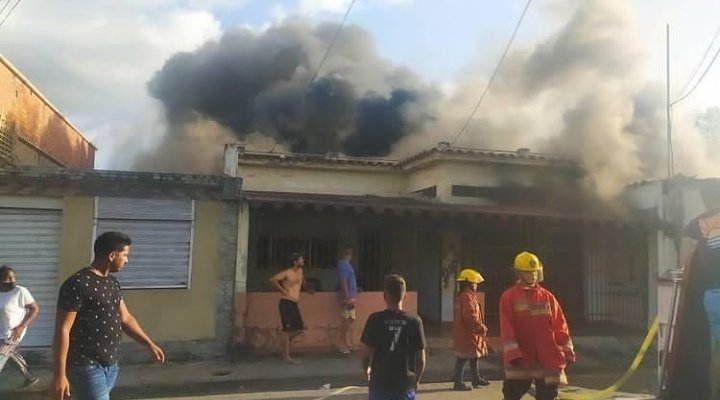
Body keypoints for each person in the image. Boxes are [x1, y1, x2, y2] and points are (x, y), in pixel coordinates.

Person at [51, 231, 166, 400]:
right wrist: (59, 374)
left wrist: (149, 344)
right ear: (112, 255)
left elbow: (125, 318)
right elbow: (63, 329)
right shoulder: (77, 284)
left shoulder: (112, 283)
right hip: (85, 365)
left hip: (111, 366)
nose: (127, 260)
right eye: (125, 255)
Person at [499, 251, 575, 400]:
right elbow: (507, 328)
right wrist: (513, 354)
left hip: (548, 356)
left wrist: (567, 350)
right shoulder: (508, 297)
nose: (533, 275)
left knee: (548, 395)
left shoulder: (547, 296)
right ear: (519, 273)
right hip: (522, 357)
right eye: (528, 272)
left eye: (535, 272)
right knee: (511, 394)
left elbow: (560, 325)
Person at [360, 274, 426, 400]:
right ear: (405, 296)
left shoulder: (375, 319)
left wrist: (366, 370)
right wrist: (416, 380)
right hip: (405, 384)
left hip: (379, 383)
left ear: (384, 296)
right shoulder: (414, 321)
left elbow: (364, 353)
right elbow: (421, 358)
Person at [0, 265, 40, 391]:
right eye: (7, 278)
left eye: (13, 277)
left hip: (12, 334)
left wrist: (22, 326)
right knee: (10, 355)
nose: (11, 280)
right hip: (1, 332)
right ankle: (30, 378)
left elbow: (35, 308)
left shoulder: (20, 291)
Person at [452, 268, 490, 391]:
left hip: (465, 332)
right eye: (475, 283)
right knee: (462, 358)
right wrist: (480, 327)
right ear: (469, 283)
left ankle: (476, 378)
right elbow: (470, 316)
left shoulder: (464, 295)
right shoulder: (467, 297)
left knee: (473, 357)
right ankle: (458, 382)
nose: (476, 285)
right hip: (469, 333)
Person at [269, 252, 310, 364]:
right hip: (286, 302)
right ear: (295, 262)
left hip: (294, 303)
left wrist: (308, 288)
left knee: (300, 328)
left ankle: (283, 344)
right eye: (300, 260)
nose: (302, 261)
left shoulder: (300, 272)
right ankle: (286, 357)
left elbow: (302, 282)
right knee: (287, 331)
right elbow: (273, 280)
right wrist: (283, 290)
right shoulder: (287, 273)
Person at [336, 245, 358, 355]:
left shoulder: (347, 265)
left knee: (350, 318)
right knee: (346, 320)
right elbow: (343, 281)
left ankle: (345, 342)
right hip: (347, 297)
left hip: (350, 296)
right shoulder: (343, 265)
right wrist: (347, 296)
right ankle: (341, 343)